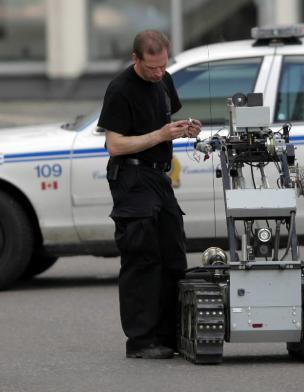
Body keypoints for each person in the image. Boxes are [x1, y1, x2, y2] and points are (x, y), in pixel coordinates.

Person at [97, 30, 202, 359]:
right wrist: (159, 134)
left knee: (173, 256)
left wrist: (185, 129)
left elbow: (164, 124)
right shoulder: (120, 89)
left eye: (163, 66)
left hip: (159, 176)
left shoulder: (165, 81)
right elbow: (114, 145)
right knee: (143, 259)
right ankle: (141, 342)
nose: (158, 74)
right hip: (131, 176)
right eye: (152, 68)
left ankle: (170, 337)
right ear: (135, 59)